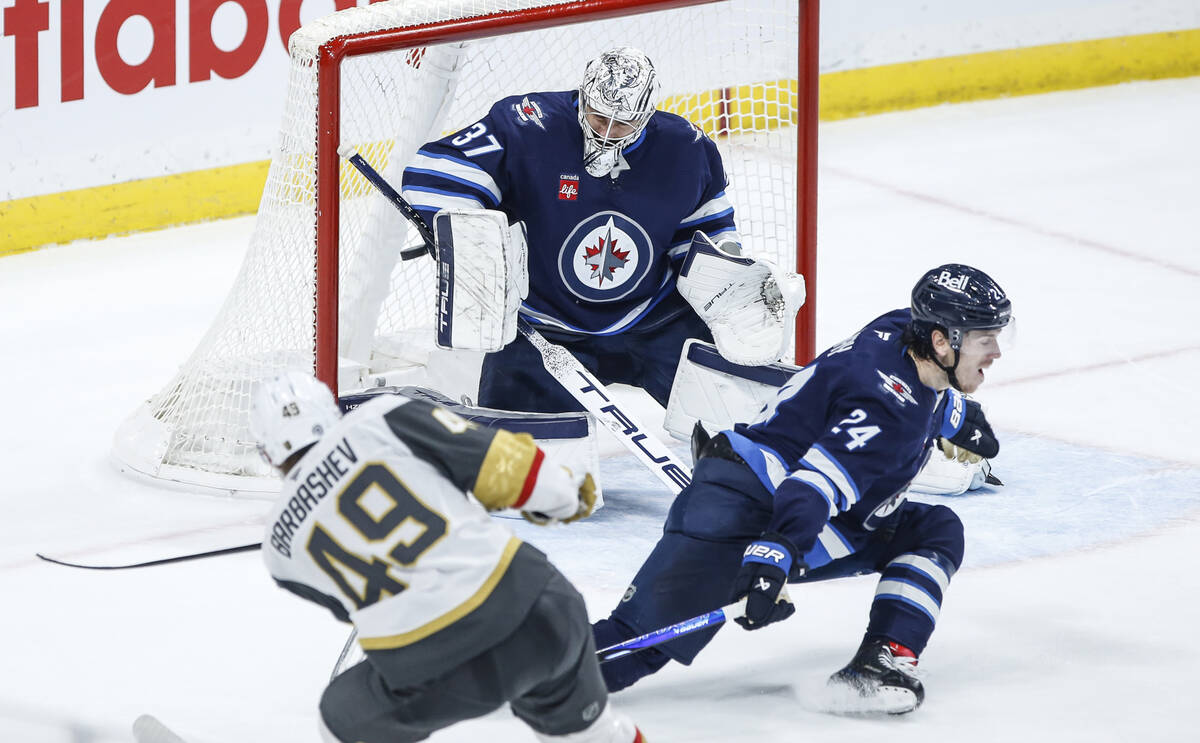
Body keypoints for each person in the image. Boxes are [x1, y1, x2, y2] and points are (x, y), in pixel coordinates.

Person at [591, 263, 1013, 714]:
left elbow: (901, 389)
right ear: (941, 341)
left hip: (791, 507)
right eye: (984, 339)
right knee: (632, 647)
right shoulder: (887, 411)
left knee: (932, 530)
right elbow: (811, 486)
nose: (995, 352)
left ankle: (879, 663)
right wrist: (773, 554)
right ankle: (519, 663)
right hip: (741, 508)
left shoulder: (901, 330)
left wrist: (953, 413)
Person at [401, 46, 803, 414]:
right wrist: (465, 233)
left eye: (622, 124)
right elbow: (436, 170)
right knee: (514, 453)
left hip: (653, 318)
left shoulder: (685, 149)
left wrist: (729, 278)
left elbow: (705, 230)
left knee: (746, 417)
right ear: (583, 98)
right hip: (543, 326)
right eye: (597, 117)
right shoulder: (528, 124)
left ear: (646, 115)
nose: (607, 132)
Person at [248, 374, 646, 742]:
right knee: (595, 734)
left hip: (439, 668)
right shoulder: (382, 417)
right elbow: (506, 467)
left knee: (339, 720)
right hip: (540, 610)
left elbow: (357, 610)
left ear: (268, 456)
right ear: (331, 410)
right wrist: (563, 493)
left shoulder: (278, 549)